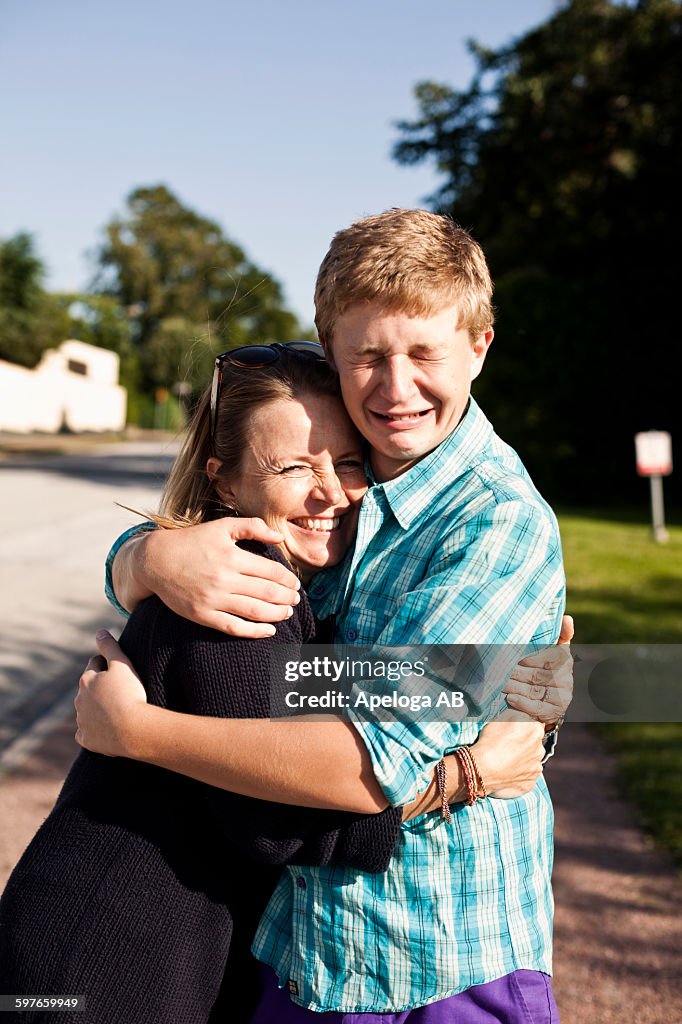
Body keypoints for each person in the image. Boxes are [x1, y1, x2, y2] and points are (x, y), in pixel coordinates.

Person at [77, 209, 572, 1022]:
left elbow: (363, 764)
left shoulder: (493, 525)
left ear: (479, 344)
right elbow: (296, 679)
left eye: (423, 352)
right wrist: (144, 556)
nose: (395, 386)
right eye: (367, 355)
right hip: (302, 950)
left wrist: (140, 736)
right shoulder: (351, 477)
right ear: (332, 352)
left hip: (436, 961)